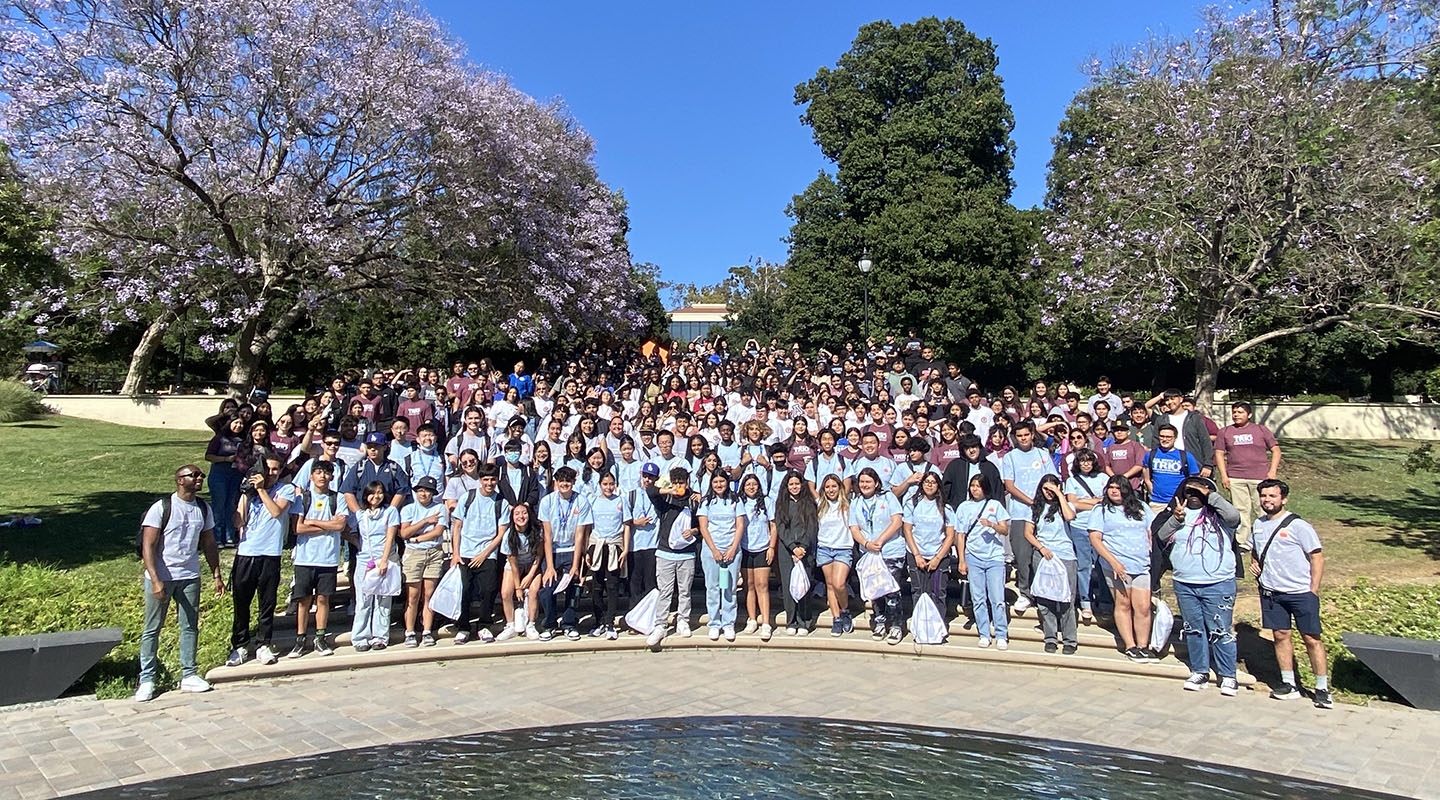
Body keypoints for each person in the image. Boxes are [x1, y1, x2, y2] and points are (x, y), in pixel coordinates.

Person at [136, 465, 224, 701]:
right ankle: (147, 679)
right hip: (162, 576)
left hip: (190, 576)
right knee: (152, 628)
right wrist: (155, 579)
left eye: (201, 476)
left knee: (189, 625)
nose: (199, 479)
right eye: (193, 475)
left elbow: (209, 544)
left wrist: (216, 574)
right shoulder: (163, 508)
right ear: (178, 480)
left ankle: (189, 674)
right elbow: (148, 545)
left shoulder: (203, 509)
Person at [1157, 475, 1242, 695]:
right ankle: (1199, 671)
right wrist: (1176, 519)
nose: (1193, 496)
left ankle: (1228, 675)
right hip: (1185, 582)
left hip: (1218, 583)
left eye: (1199, 492)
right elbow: (1162, 535)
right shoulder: (1179, 515)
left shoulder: (1221, 515)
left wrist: (1208, 494)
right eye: (1189, 492)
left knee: (1220, 630)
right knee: (1193, 629)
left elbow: (1234, 516)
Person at [1251, 479, 1331, 709]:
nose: (1267, 500)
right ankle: (1289, 684)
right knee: (1280, 636)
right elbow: (1256, 550)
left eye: (1272, 496)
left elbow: (1317, 556)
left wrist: (1313, 589)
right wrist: (1254, 562)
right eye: (1264, 496)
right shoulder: (1258, 524)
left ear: (1283, 499)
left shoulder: (1299, 526)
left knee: (1311, 639)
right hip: (1272, 592)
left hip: (1300, 592)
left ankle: (1322, 687)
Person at [226, 456, 294, 668]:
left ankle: (264, 643)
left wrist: (263, 490)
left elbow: (276, 512)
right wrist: (246, 494)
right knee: (241, 602)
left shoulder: (286, 489)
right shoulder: (251, 492)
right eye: (268, 469)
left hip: (269, 553)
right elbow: (238, 521)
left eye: (275, 469)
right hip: (246, 552)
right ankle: (240, 644)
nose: (271, 473)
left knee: (267, 602)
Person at [1089, 477, 1158, 663]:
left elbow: (1153, 530)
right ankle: (1130, 645)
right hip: (1116, 566)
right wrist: (1113, 562)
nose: (1113, 491)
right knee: (1123, 604)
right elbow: (1095, 538)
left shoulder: (1141, 507)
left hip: (1141, 564)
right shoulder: (1101, 510)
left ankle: (1143, 646)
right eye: (1110, 487)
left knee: (1143, 607)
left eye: (1117, 488)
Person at [1001, 421, 1058, 615]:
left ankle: (1044, 591)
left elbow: (1052, 480)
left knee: (1042, 554)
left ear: (1032, 434)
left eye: (1026, 434)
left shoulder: (1043, 455)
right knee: (1022, 554)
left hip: (1044, 512)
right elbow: (1010, 485)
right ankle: (1025, 592)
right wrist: (1031, 501)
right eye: (1020, 436)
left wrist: (1043, 501)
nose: (1024, 438)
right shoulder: (1010, 457)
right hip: (1019, 512)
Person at [289, 461, 346, 658]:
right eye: (318, 472)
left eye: (327, 473)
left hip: (327, 558)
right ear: (311, 476)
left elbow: (340, 526)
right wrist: (327, 525)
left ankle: (320, 637)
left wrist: (312, 521)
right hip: (305, 558)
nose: (322, 476)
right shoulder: (302, 498)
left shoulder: (338, 498)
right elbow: (298, 528)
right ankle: (300, 638)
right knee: (304, 600)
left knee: (323, 599)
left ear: (332, 477)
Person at [451, 463, 510, 644]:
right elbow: (458, 526)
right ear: (480, 480)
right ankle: (463, 627)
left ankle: (484, 625)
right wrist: (455, 553)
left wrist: (484, 554)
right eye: (486, 479)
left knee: (488, 590)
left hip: (488, 554)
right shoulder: (467, 498)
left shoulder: (502, 502)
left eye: (492, 479)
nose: (489, 483)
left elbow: (501, 533)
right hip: (466, 553)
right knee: (465, 591)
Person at [1023, 475, 1080, 655]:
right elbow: (1028, 533)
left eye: (1051, 489)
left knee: (1066, 599)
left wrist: (1058, 494)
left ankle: (1070, 639)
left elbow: (1070, 516)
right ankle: (1051, 638)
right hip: (1043, 555)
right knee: (1045, 599)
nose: (1048, 493)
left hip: (1065, 555)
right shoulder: (1034, 508)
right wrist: (1041, 548)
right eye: (1045, 489)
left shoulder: (1065, 506)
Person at [1215, 402, 1281, 552]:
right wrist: (1224, 476)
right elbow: (1219, 453)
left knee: (1264, 509)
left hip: (1260, 478)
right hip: (1236, 477)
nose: (1236, 414)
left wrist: (1272, 472)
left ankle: (1267, 538)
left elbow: (1276, 450)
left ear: (1249, 415)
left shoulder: (1260, 430)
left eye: (1240, 412)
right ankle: (1243, 542)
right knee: (1241, 510)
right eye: (1234, 412)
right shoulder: (1225, 432)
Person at [954, 474, 1011, 649]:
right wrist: (962, 559)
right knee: (978, 598)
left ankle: (1001, 633)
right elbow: (960, 535)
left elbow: (1005, 530)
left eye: (978, 486)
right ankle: (984, 633)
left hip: (994, 557)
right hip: (973, 556)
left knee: (997, 598)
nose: (975, 489)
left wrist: (992, 525)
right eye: (972, 486)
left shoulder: (995, 505)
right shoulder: (964, 507)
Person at [850, 467, 906, 643]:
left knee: (890, 590)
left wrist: (880, 541)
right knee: (875, 590)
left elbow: (897, 521)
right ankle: (880, 622)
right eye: (862, 482)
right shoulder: (856, 502)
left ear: (876, 483)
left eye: (868, 481)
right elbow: (854, 528)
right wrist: (867, 544)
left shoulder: (888, 497)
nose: (865, 485)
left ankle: (896, 625)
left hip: (890, 550)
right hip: (869, 553)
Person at [647, 467, 701, 647]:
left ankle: (683, 620)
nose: (679, 486)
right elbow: (650, 491)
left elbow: (702, 526)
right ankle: (660, 624)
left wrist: (694, 531)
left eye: (682, 483)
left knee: (684, 590)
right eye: (676, 483)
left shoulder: (695, 501)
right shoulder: (666, 499)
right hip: (665, 552)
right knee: (665, 591)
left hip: (686, 553)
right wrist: (668, 489)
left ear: (687, 482)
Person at [902, 472, 955, 641]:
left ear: (938, 485)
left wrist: (938, 558)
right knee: (918, 591)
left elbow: (950, 535)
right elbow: (907, 530)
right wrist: (917, 555)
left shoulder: (946, 508)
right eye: (927, 482)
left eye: (933, 482)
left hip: (938, 556)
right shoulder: (912, 504)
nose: (930, 485)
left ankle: (937, 628)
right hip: (916, 554)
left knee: (938, 593)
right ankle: (920, 628)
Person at [539, 466, 589, 641]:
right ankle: (550, 624)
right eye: (561, 481)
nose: (564, 484)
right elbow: (547, 535)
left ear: (573, 482)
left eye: (568, 481)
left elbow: (580, 535)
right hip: (552, 550)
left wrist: (576, 565)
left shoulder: (581, 501)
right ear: (556, 482)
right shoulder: (547, 502)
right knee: (547, 587)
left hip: (571, 550)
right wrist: (550, 566)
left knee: (574, 587)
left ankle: (569, 623)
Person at [399, 476, 449, 648]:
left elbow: (438, 532)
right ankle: (410, 631)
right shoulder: (408, 509)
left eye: (427, 491)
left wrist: (417, 538)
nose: (423, 494)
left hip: (434, 552)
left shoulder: (440, 508)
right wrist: (425, 521)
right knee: (413, 595)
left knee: (429, 594)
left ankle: (427, 630)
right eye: (420, 490)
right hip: (413, 554)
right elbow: (404, 533)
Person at [698, 472, 746, 641]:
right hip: (712, 551)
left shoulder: (736, 500)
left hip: (731, 550)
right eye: (715, 482)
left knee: (729, 588)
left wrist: (733, 548)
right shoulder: (706, 502)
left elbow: (740, 525)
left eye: (722, 481)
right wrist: (714, 550)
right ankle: (714, 623)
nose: (719, 485)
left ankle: (728, 623)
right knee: (712, 587)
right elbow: (703, 527)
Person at [582, 471, 627, 639]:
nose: (608, 487)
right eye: (605, 484)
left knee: (613, 585)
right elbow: (587, 527)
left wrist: (626, 548)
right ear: (600, 485)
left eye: (611, 484)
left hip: (615, 546)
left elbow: (626, 525)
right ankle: (598, 621)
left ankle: (610, 623)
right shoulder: (593, 501)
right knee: (597, 585)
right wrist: (587, 549)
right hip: (597, 545)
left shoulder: (620, 501)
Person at [773, 470, 819, 636]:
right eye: (791, 484)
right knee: (789, 587)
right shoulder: (781, 504)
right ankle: (791, 621)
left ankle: (804, 621)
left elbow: (812, 527)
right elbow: (781, 527)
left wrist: (803, 547)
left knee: (804, 586)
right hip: (787, 551)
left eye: (797, 484)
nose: (794, 487)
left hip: (805, 551)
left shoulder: (809, 503)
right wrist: (793, 547)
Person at [737, 473, 778, 640]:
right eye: (748, 485)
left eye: (754, 484)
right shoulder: (739, 502)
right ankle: (752, 619)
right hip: (745, 548)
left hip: (762, 547)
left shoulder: (767, 502)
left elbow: (773, 526)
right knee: (749, 585)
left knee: (762, 585)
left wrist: (771, 547)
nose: (751, 487)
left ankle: (766, 622)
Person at [497, 503, 545, 640]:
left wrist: (530, 576)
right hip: (515, 565)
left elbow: (538, 555)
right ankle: (510, 625)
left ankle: (531, 624)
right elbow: (513, 564)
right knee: (506, 593)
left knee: (533, 591)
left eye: (524, 513)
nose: (521, 516)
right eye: (517, 513)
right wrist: (518, 587)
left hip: (532, 564)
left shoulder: (537, 531)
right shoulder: (508, 536)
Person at [815, 474, 854, 636]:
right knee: (830, 585)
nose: (831, 490)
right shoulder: (819, 505)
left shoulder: (848, 505)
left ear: (840, 487)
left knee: (839, 583)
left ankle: (845, 610)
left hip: (843, 548)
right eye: (828, 487)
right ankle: (836, 618)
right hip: (824, 548)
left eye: (834, 486)